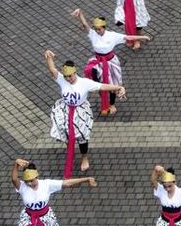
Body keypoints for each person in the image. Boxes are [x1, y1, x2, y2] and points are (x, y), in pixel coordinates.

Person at [43, 49, 123, 178]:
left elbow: (102, 86)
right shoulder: (62, 80)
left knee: (82, 137)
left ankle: (84, 157)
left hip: (79, 112)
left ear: (75, 72)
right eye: (66, 76)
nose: (68, 79)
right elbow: (52, 70)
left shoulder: (84, 83)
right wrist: (48, 57)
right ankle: (70, 146)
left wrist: (119, 87)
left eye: (70, 76)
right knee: (66, 134)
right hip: (65, 110)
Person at [70, 10, 149, 116]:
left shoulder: (112, 35)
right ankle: (102, 100)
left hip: (111, 62)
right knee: (98, 83)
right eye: (96, 29)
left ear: (104, 27)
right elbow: (85, 25)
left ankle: (111, 104)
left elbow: (128, 37)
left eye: (99, 29)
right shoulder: (93, 35)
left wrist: (142, 37)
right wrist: (80, 14)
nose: (97, 31)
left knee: (112, 84)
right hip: (98, 62)